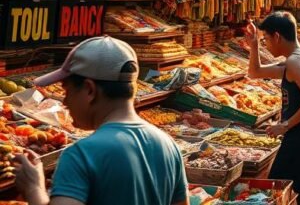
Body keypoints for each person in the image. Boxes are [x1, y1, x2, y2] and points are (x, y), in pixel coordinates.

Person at [13, 36, 187, 205]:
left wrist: (33, 189)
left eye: (67, 92)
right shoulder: (168, 145)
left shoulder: (81, 155)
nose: (64, 102)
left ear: (89, 90)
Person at [243, 12, 300, 205]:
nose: (266, 44)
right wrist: (254, 45)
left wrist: (285, 125)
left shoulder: (295, 61)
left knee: (275, 191)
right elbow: (255, 72)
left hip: (299, 140)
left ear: (277, 36)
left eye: (266, 39)